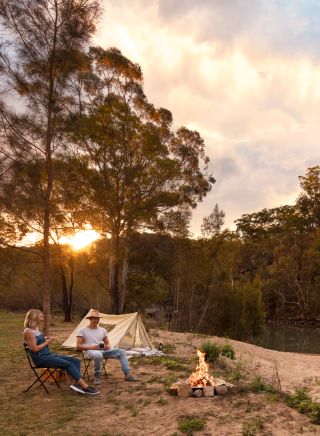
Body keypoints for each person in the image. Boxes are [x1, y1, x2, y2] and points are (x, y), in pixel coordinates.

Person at [23, 309, 100, 395]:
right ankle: (85, 387)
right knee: (68, 364)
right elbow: (35, 349)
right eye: (41, 317)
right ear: (35, 317)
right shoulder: (28, 332)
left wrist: (45, 339)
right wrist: (47, 342)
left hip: (47, 355)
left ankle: (77, 384)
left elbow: (37, 342)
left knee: (75, 361)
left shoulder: (36, 329)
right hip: (41, 359)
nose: (42, 319)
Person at [76, 309, 137, 385]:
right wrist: (93, 347)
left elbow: (108, 343)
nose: (96, 320)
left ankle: (127, 374)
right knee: (98, 355)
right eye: (94, 318)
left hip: (102, 350)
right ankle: (97, 376)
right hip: (89, 351)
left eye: (97, 318)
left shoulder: (102, 330)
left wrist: (107, 346)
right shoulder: (82, 330)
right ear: (90, 319)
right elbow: (78, 346)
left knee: (121, 352)